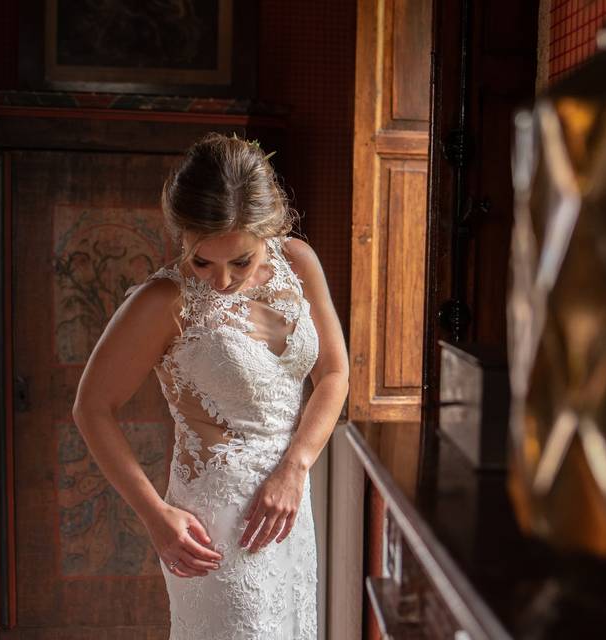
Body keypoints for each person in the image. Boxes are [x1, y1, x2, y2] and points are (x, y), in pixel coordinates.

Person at [72, 132, 349, 639]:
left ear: (270, 230)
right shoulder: (163, 301)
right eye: (203, 261)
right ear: (183, 236)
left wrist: (296, 465)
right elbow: (91, 408)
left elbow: (333, 373)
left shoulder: (300, 264)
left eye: (239, 262)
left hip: (288, 507)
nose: (220, 280)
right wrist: (155, 515)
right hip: (213, 526)